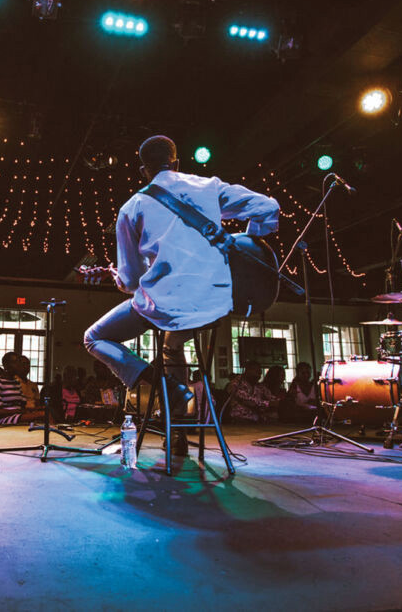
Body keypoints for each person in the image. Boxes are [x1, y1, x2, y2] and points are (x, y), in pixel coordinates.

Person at [84, 135, 281, 427]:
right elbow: (268, 207)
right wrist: (248, 240)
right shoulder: (209, 187)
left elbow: (131, 281)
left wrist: (122, 281)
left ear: (143, 171)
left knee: (94, 338)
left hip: (164, 307)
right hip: (214, 304)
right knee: (171, 347)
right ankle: (177, 426)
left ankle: (168, 390)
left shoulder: (132, 207)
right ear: (177, 163)